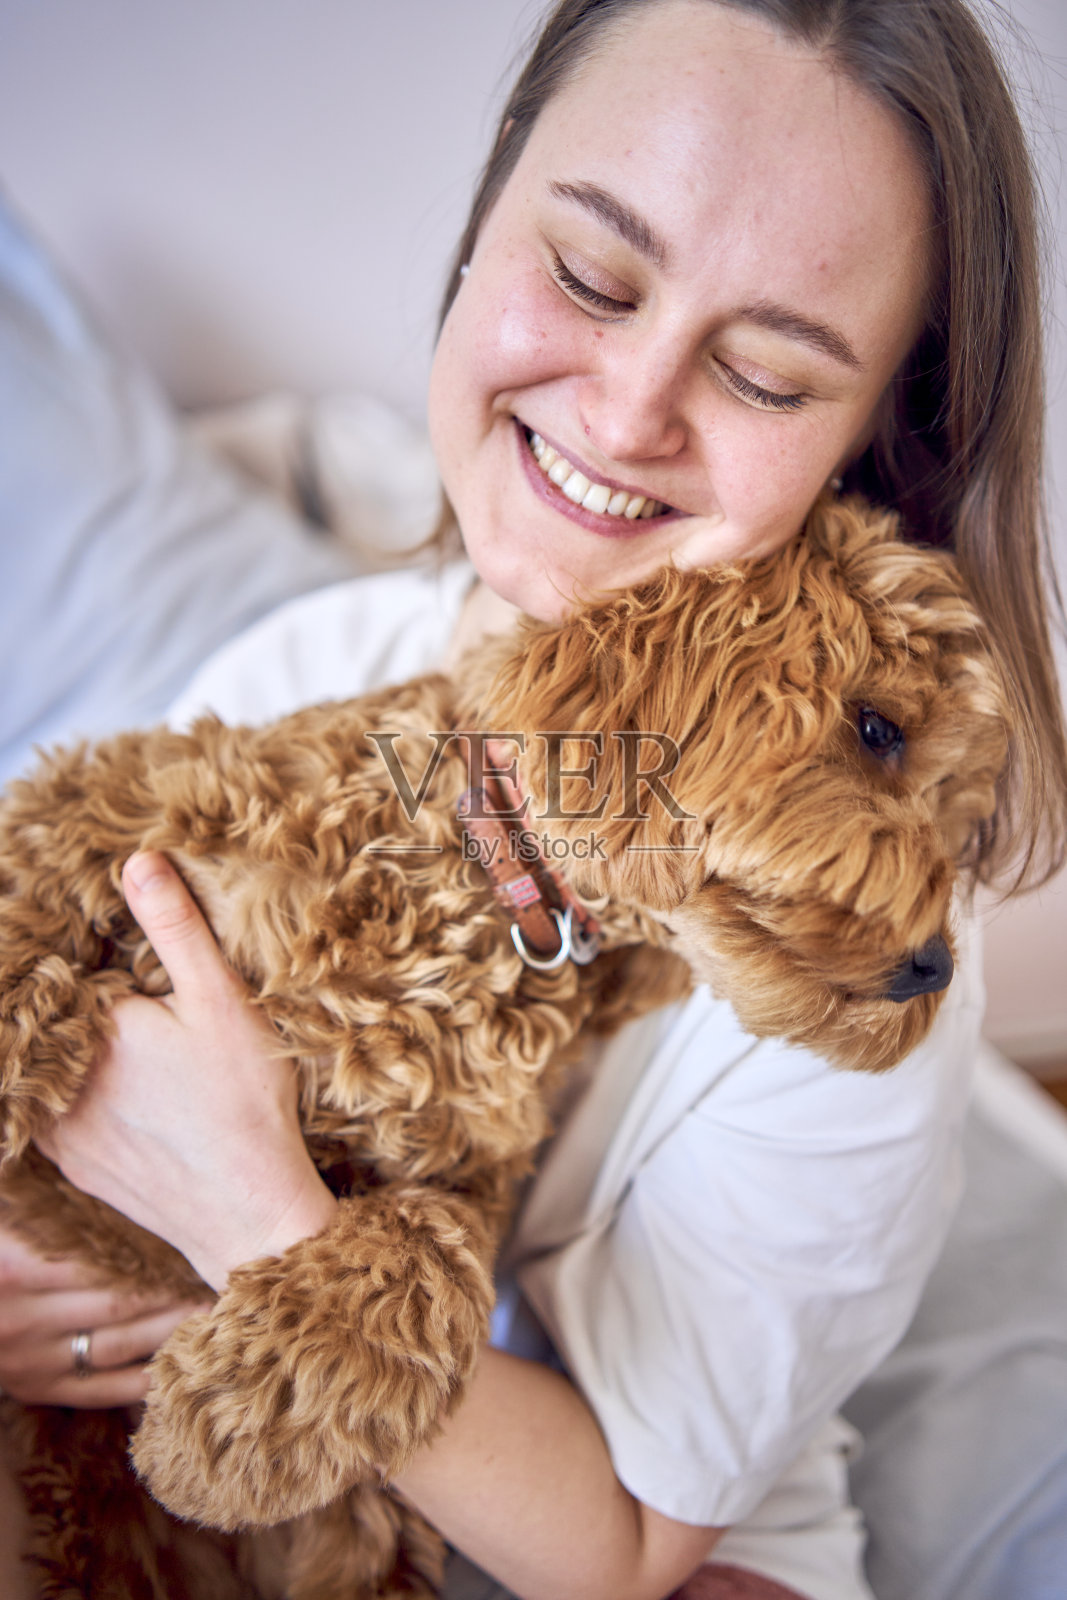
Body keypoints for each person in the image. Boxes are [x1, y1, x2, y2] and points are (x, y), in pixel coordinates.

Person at [2, 2, 1066, 1597]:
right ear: (494, 202)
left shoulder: (847, 963)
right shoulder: (323, 663)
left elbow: (626, 1547)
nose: (628, 414)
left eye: (765, 373)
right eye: (588, 277)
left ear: (868, 443)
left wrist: (252, 1218)